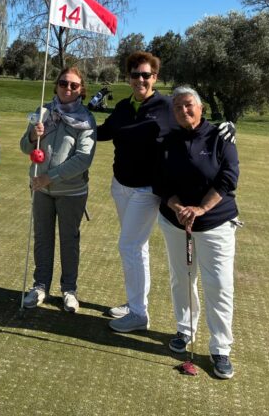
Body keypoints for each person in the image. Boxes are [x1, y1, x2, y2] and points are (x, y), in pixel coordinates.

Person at [96, 51, 234, 333]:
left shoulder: (167, 107)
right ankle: (136, 302)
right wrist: (68, 121)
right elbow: (102, 132)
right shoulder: (123, 107)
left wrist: (227, 127)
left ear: (155, 77)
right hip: (121, 186)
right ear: (129, 78)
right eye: (135, 75)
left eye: (146, 75)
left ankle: (138, 313)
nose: (140, 80)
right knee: (137, 247)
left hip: (148, 190)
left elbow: (194, 123)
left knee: (129, 246)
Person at [155, 86, 240, 379]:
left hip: (215, 223)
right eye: (177, 107)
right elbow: (161, 185)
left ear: (201, 107)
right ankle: (185, 328)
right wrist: (179, 208)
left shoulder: (221, 137)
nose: (183, 111)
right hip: (175, 221)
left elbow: (229, 178)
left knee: (218, 284)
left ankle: (220, 347)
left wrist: (201, 210)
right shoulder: (167, 141)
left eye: (188, 105)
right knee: (181, 279)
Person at [20, 67, 97, 313]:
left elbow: (83, 158)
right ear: (56, 85)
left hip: (71, 191)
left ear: (81, 90)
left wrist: (49, 177)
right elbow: (24, 147)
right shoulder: (43, 112)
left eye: (74, 85)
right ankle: (40, 286)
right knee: (42, 238)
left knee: (68, 241)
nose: (68, 88)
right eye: (64, 83)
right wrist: (33, 134)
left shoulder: (86, 119)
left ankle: (69, 290)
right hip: (41, 190)